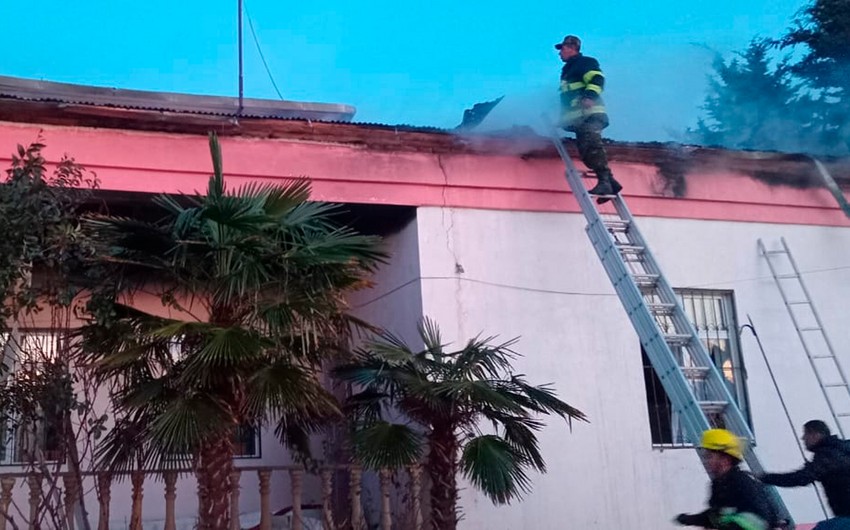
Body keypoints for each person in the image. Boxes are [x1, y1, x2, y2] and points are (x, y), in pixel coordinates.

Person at [555, 35, 622, 202]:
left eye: (562, 49)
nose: (559, 54)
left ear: (571, 48)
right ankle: (611, 183)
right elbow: (569, 99)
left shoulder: (584, 63)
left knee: (592, 146)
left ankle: (605, 182)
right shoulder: (568, 70)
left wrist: (589, 96)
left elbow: (597, 79)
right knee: (586, 152)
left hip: (590, 115)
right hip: (579, 119)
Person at [675, 429, 776, 530]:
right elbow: (716, 515)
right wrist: (690, 519)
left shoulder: (740, 483)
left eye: (710, 457)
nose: (706, 461)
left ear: (725, 460)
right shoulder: (720, 484)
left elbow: (756, 521)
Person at [759, 420, 850, 530]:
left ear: (815, 435)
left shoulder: (827, 456)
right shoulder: (842, 449)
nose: (803, 438)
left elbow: (800, 478)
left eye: (806, 434)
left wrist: (765, 478)